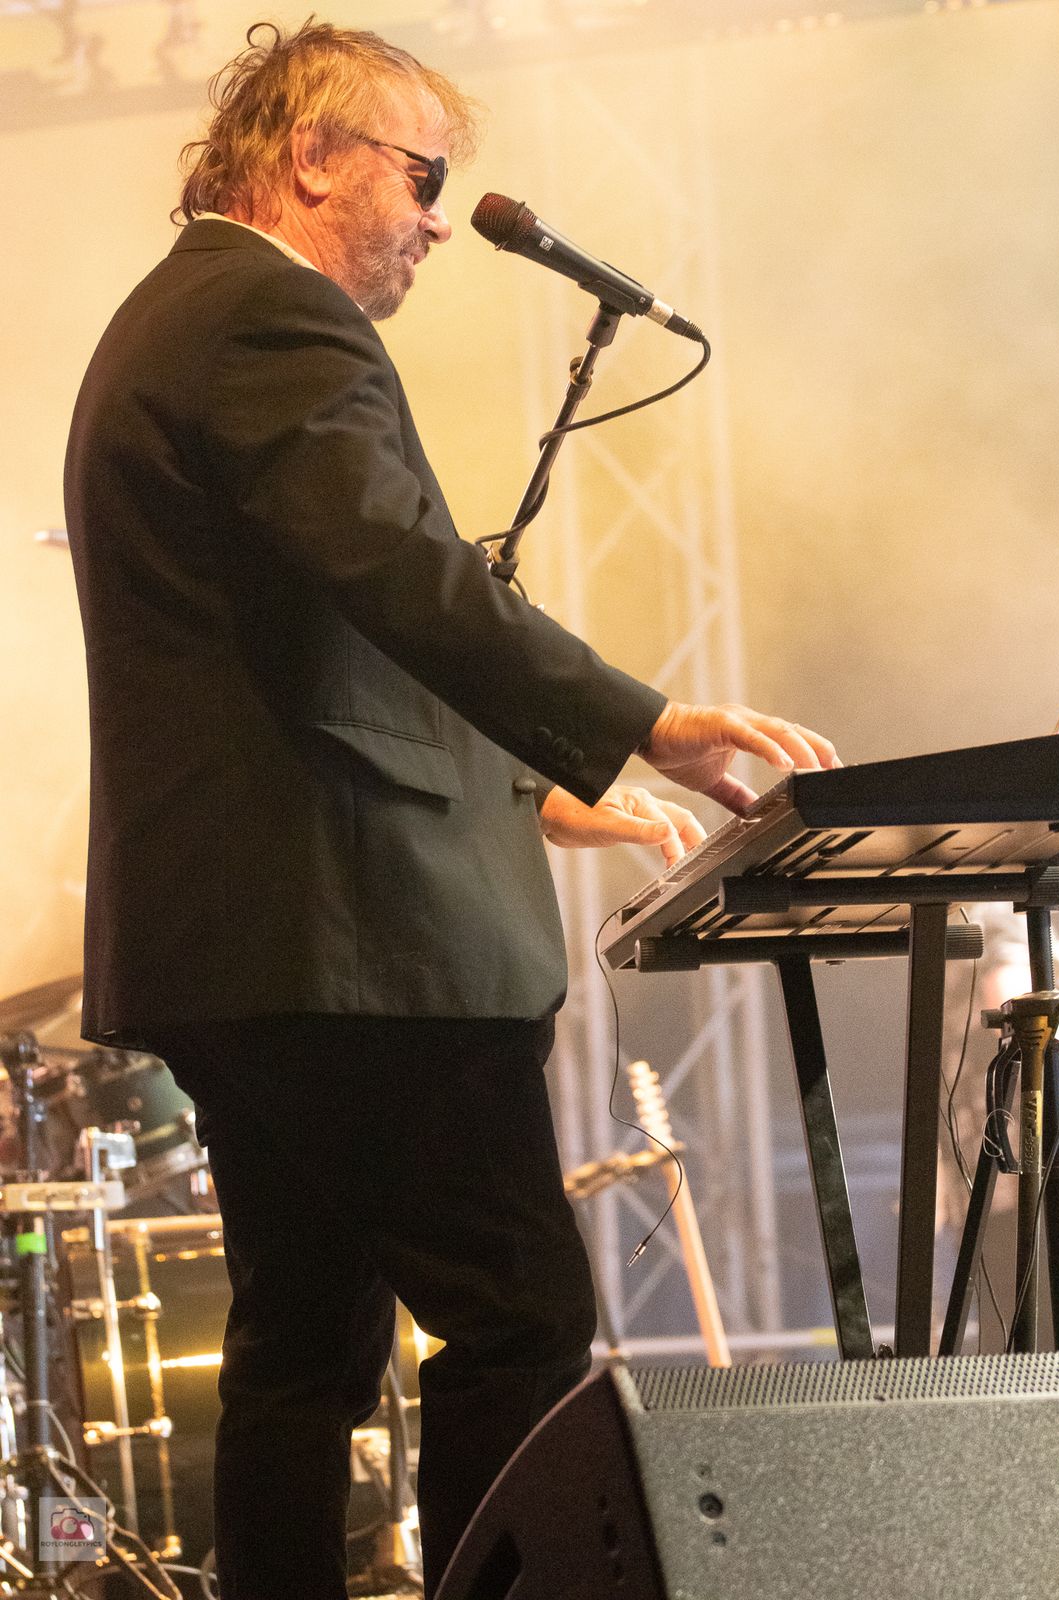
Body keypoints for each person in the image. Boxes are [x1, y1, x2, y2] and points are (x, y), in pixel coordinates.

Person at [63, 20, 839, 1599]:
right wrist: (641, 722)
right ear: (310, 157)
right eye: (420, 178)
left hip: (260, 945)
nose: (433, 219)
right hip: (356, 948)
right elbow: (404, 576)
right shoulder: (266, 316)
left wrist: (527, 786)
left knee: (302, 1349)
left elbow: (317, 643)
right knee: (517, 1321)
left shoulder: (181, 317)